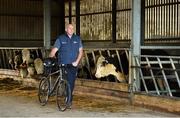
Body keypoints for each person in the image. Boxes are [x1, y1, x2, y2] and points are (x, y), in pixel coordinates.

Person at [49, 24, 83, 108]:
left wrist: (77, 61)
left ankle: (68, 100)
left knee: (71, 82)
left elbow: (81, 52)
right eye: (69, 28)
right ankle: (68, 100)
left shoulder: (77, 39)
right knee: (67, 81)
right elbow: (54, 50)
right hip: (63, 64)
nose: (71, 29)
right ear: (66, 29)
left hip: (73, 64)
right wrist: (52, 55)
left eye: (72, 28)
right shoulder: (61, 38)